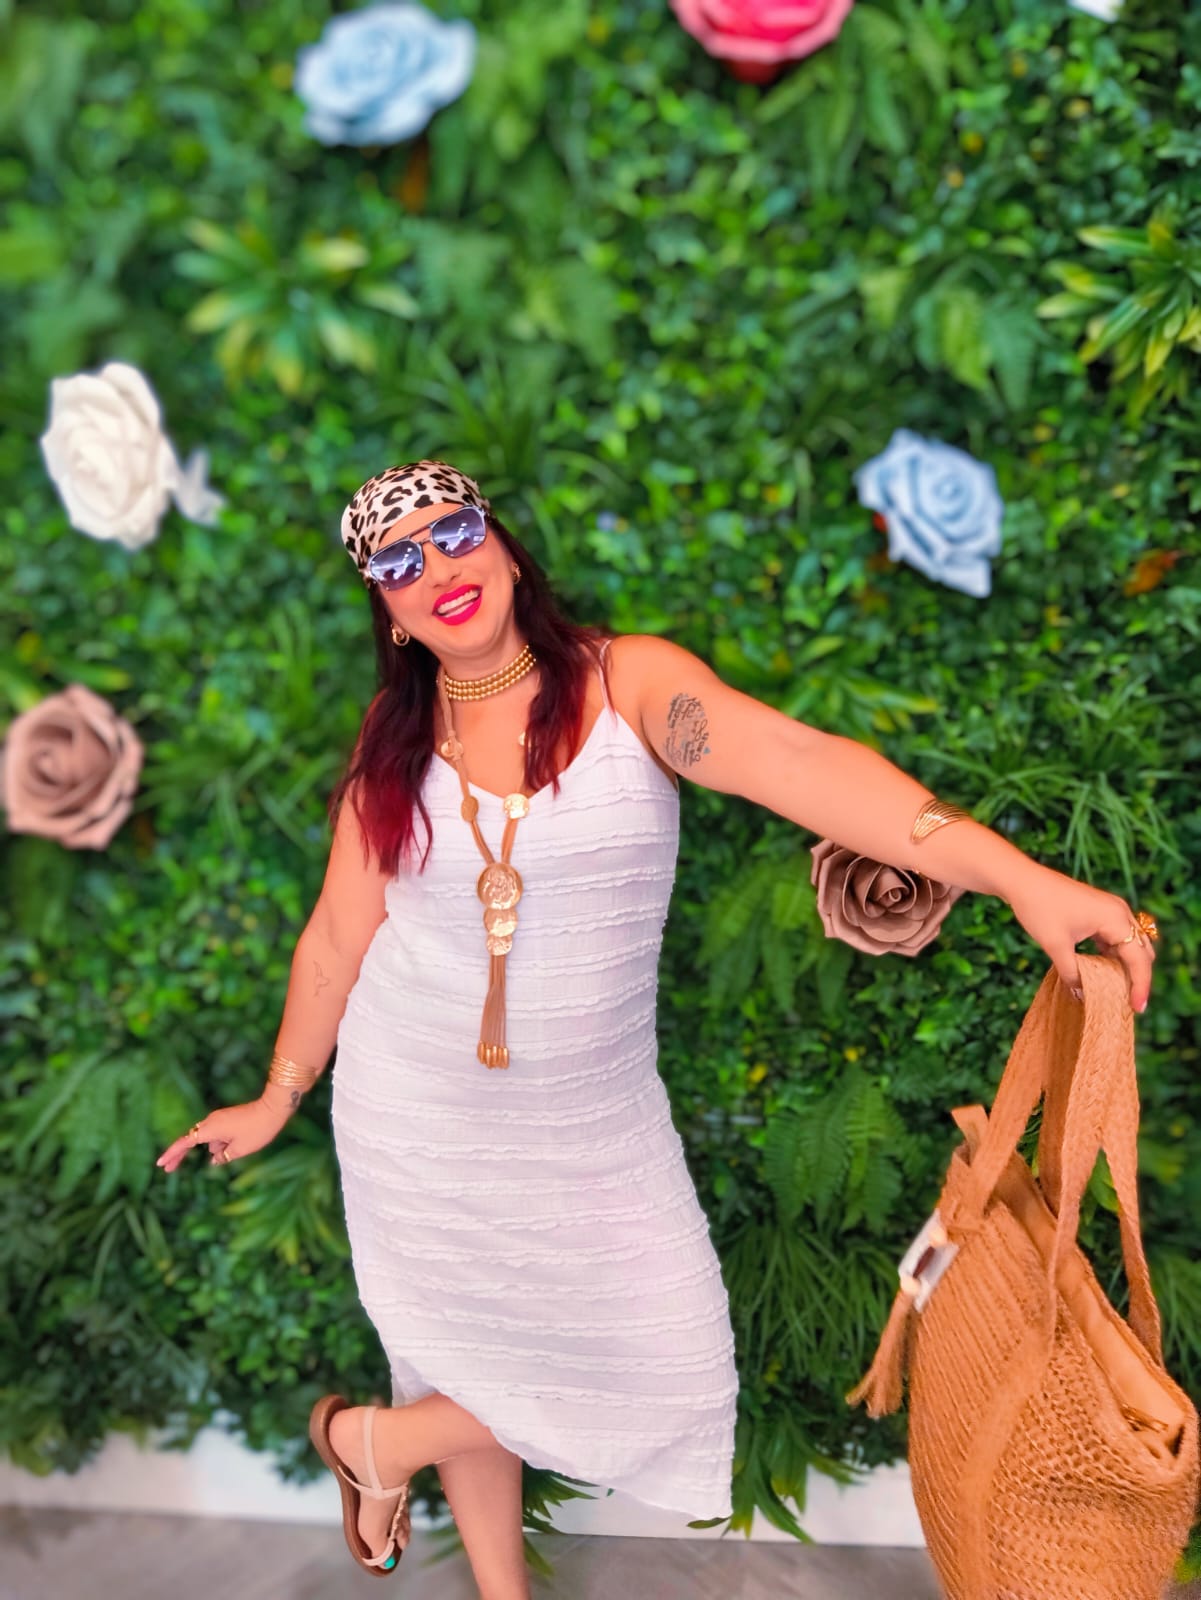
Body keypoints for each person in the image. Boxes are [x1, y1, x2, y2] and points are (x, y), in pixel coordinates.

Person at [156, 460, 1157, 1598]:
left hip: (593, 1120)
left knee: (669, 1369)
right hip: (414, 1109)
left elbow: (797, 762)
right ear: (387, 611)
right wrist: (278, 1094)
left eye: (455, 533)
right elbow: (339, 934)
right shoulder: (392, 751)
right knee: (455, 1343)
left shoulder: (624, 684)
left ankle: (370, 1445)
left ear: (505, 548)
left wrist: (1018, 877)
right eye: (399, 560)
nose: (436, 566)